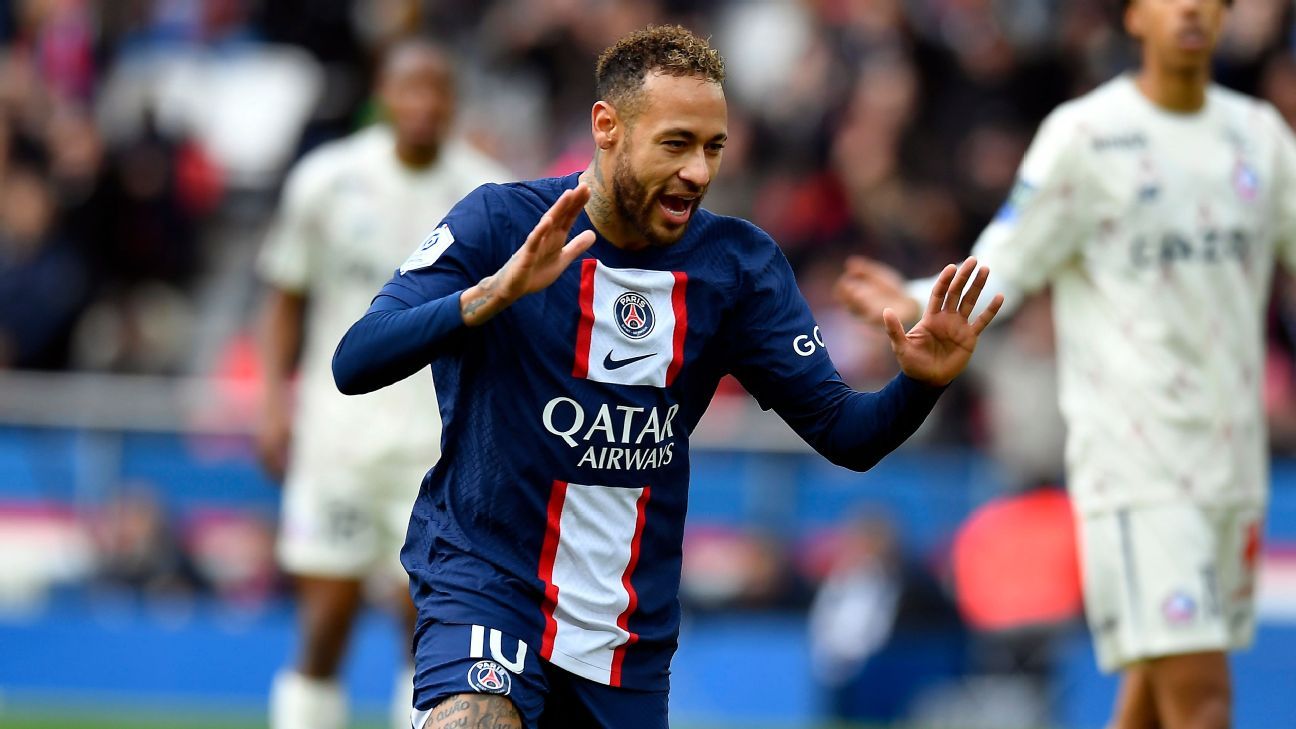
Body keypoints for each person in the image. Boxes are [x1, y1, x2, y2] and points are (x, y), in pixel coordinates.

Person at [332, 25, 1003, 729]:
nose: (698, 172)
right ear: (607, 127)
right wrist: (488, 296)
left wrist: (921, 383)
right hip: (486, 577)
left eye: (713, 147)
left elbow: (847, 432)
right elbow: (357, 358)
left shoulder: (736, 268)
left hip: (625, 629)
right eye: (676, 143)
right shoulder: (502, 225)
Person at [834, 1, 1296, 727]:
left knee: (1153, 691)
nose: (1192, 9)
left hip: (1233, 463)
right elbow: (1007, 257)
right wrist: (920, 296)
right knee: (1202, 700)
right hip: (1136, 463)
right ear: (1135, 14)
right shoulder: (1087, 137)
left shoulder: (1260, 138)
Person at [255, 39, 508, 729]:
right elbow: (285, 296)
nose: (424, 103)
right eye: (410, 87)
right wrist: (272, 402)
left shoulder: (487, 191)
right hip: (335, 436)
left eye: (438, 89)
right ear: (382, 93)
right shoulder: (325, 180)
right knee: (325, 619)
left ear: (454, 101)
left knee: (423, 627)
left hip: (438, 445)